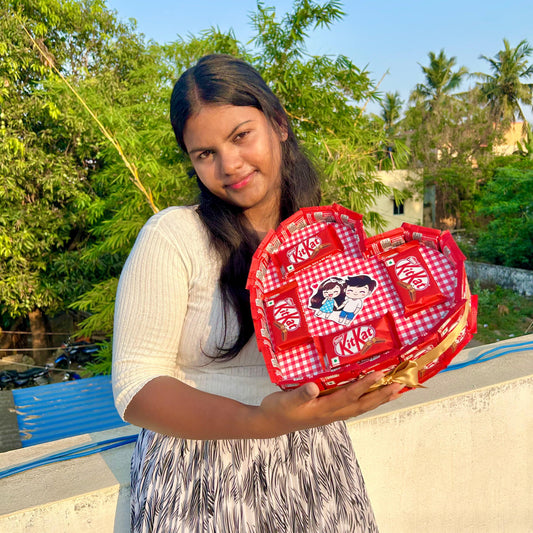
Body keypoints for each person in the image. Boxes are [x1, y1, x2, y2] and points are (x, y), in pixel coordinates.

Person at [112, 54, 402, 533]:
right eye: (204, 153)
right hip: (200, 479)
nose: (229, 165)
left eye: (240, 135)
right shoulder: (173, 236)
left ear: (279, 125)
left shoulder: (322, 238)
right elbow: (135, 387)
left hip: (315, 465)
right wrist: (260, 421)